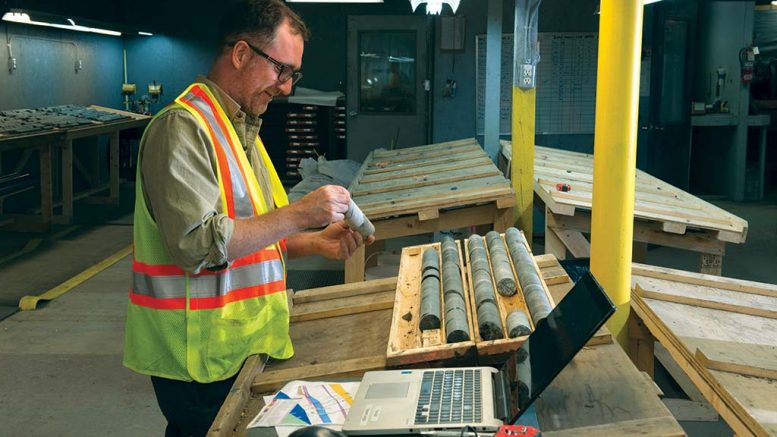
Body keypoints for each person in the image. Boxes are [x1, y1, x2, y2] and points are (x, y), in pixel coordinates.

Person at [122, 1, 372, 435]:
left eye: (293, 74)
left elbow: (254, 230)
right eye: (282, 70)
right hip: (196, 357)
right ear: (240, 54)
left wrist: (314, 241)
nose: (287, 87)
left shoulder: (241, 129)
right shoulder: (182, 127)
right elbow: (197, 244)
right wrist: (298, 215)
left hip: (238, 345)